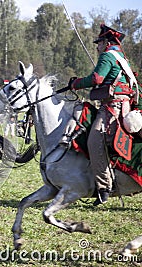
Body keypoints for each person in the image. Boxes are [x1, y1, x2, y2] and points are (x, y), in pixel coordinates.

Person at [68, 24, 138, 206]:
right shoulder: (121, 57)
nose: (97, 47)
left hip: (112, 108)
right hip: (121, 105)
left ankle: (104, 188)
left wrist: (75, 84)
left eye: (98, 43)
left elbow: (96, 79)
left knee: (94, 141)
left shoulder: (107, 55)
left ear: (106, 42)